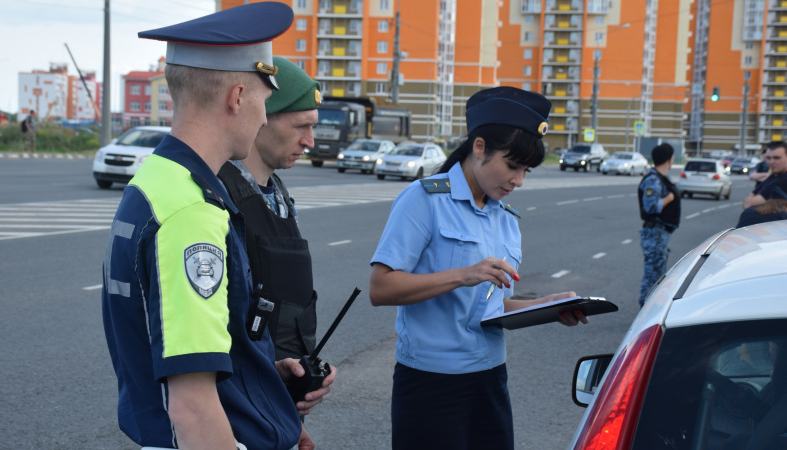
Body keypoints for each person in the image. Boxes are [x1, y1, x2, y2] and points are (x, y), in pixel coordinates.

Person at [101, 4, 334, 450]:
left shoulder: (158, 181)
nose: (265, 117)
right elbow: (192, 406)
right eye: (265, 102)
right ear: (237, 97)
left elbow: (187, 345)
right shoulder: (191, 211)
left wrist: (262, 378)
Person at [368, 86, 588, 450]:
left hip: (489, 378)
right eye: (512, 166)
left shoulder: (505, 219)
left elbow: (492, 307)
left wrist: (549, 305)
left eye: (527, 170)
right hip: (431, 382)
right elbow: (380, 288)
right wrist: (463, 274)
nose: (518, 180)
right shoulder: (425, 200)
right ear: (480, 147)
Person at [217, 56, 321, 362]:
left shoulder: (278, 193)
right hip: (244, 391)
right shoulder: (220, 194)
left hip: (281, 388)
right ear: (261, 115)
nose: (310, 141)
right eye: (301, 126)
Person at [637, 143, 681, 306]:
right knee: (653, 276)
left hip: (660, 233)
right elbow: (651, 206)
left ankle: (649, 308)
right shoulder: (654, 180)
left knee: (657, 274)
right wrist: (670, 198)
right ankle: (645, 309)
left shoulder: (660, 179)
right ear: (670, 160)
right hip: (655, 233)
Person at [742, 141, 787, 210]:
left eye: (776, 158)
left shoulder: (783, 180)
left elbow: (749, 204)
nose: (771, 162)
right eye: (768, 158)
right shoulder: (775, 176)